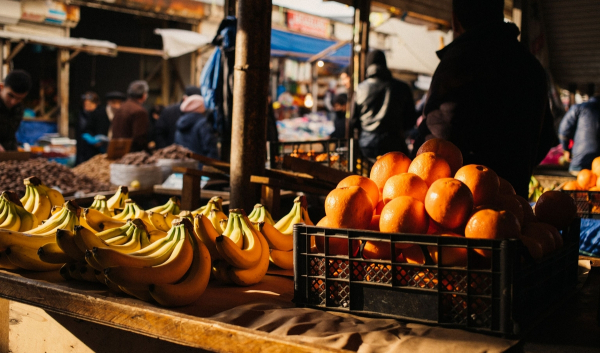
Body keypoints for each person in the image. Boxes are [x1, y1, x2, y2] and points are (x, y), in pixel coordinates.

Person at [414, 0, 557, 198]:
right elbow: (546, 136)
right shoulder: (530, 64)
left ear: (456, 21)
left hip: (461, 205)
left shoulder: (460, 61)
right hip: (514, 205)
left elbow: (438, 144)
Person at [350, 50, 416, 159]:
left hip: (367, 145)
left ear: (368, 66)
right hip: (394, 144)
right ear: (385, 64)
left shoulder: (360, 89)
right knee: (394, 175)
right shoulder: (402, 87)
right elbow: (410, 120)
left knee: (366, 174)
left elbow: (353, 121)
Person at [558, 93, 600, 173]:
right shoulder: (580, 108)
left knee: (578, 183)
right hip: (598, 166)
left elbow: (563, 131)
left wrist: (566, 149)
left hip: (580, 161)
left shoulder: (579, 107)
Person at [174, 95, 218, 159]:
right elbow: (210, 149)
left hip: (185, 166)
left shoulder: (180, 124)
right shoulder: (203, 124)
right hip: (201, 167)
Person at [111, 80, 149, 152]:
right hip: (131, 155)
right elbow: (139, 138)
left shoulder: (121, 108)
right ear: (144, 95)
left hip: (116, 152)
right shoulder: (140, 111)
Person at [0, 70, 32, 151]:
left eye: (19, 98)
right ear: (1, 87)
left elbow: (10, 136)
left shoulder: (18, 108)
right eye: (10, 95)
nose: (13, 102)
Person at [76, 92, 110, 164]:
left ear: (96, 104)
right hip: (84, 148)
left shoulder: (101, 114)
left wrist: (98, 141)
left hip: (97, 149)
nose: (86, 106)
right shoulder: (82, 114)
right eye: (85, 104)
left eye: (89, 104)